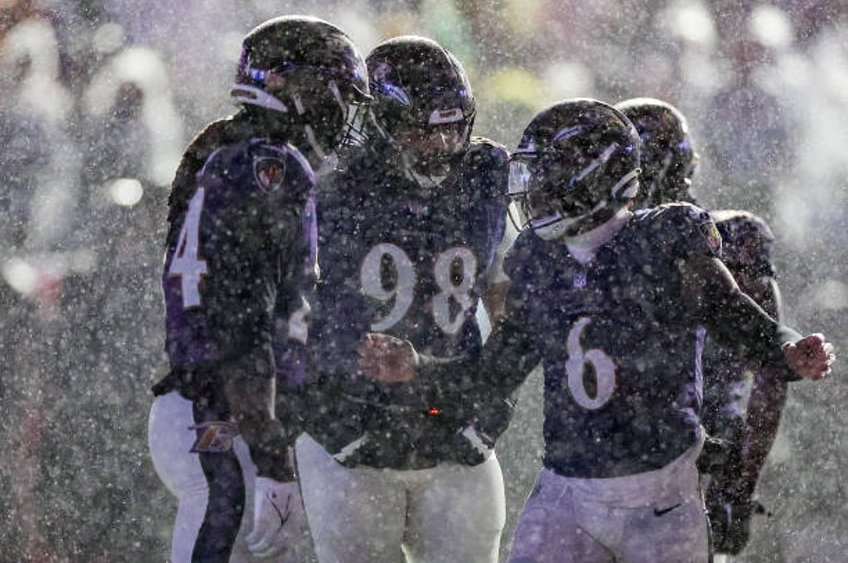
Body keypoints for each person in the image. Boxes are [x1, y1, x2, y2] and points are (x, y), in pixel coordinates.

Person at [359, 98, 835, 563]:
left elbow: (735, 314)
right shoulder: (539, 259)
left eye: (547, 177)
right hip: (566, 487)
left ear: (592, 179)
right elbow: (493, 375)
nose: (534, 192)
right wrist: (418, 370)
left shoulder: (665, 240)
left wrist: (785, 350)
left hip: (661, 490)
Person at [146, 15, 370, 562]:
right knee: (221, 506)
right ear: (293, 87)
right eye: (336, 96)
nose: (342, 116)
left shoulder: (229, 148)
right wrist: (272, 455)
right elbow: (242, 323)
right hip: (218, 410)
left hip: (223, 403)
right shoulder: (267, 164)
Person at [294, 35, 513, 563]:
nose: (442, 146)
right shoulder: (328, 185)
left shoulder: (485, 173)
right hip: (348, 420)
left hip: (446, 411)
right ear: (381, 125)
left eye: (453, 128)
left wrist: (492, 391)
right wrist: (317, 408)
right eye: (422, 130)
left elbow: (507, 293)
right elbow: (284, 310)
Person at [614, 96, 796, 556]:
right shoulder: (600, 245)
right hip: (614, 448)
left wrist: (739, 482)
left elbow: (769, 370)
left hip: (699, 446)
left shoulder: (733, 238)